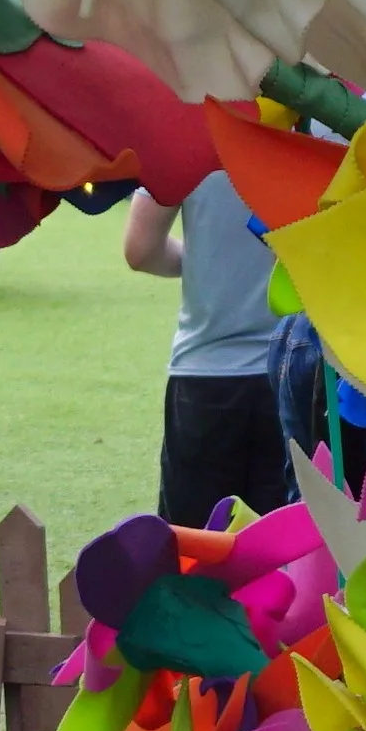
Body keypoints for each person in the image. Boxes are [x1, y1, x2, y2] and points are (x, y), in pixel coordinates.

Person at [127, 169, 289, 524]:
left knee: (197, 550)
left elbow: (140, 249)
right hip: (296, 368)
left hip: (205, 373)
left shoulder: (185, 139)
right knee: (289, 552)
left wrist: (205, 262)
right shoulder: (327, 130)